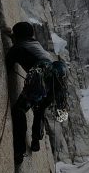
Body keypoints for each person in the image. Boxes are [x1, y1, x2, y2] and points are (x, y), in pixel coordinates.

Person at [6, 21, 56, 164]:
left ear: (18, 35)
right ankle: (35, 139)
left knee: (19, 110)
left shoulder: (19, 47)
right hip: (53, 81)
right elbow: (19, 41)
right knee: (39, 108)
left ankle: (19, 151)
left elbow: (8, 64)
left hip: (40, 79)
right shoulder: (34, 44)